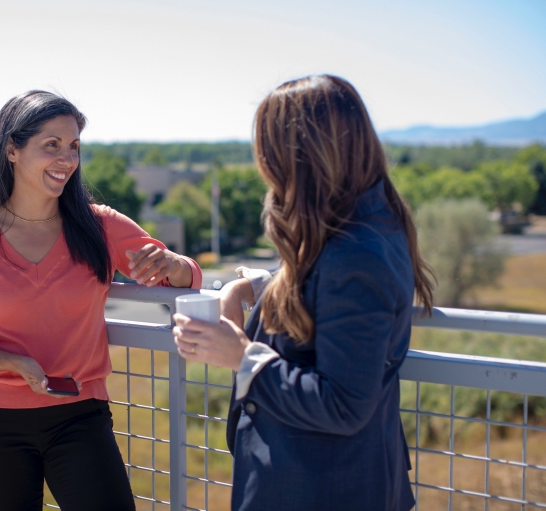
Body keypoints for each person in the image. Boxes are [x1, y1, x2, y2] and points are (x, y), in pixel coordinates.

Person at [0, 90, 202, 511]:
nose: (67, 159)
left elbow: (183, 277)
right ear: (11, 150)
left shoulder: (100, 225)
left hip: (81, 416)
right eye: (51, 145)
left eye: (73, 146)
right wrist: (14, 364)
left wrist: (173, 264)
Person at [172, 75, 434, 511]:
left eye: (268, 151)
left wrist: (242, 356)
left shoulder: (358, 253)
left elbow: (343, 405)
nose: (264, 166)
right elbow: (323, 279)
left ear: (301, 156)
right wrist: (256, 286)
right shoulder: (364, 221)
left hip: (324, 487)